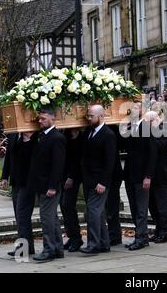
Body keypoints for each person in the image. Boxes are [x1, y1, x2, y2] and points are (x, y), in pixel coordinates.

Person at [27, 108, 66, 262]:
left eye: (43, 118)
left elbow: (58, 165)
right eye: (39, 119)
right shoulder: (41, 135)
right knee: (52, 218)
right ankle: (57, 248)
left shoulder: (57, 138)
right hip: (41, 184)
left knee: (47, 218)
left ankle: (49, 249)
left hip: (49, 186)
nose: (40, 121)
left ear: (52, 119)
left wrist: (53, 186)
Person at [80, 105, 117, 255]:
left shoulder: (108, 134)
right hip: (89, 180)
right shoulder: (89, 132)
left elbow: (110, 161)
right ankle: (103, 243)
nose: (88, 119)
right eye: (88, 116)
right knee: (98, 213)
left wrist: (103, 182)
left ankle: (93, 244)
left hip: (100, 182)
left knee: (93, 213)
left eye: (91, 116)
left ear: (101, 116)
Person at [123, 101, 157, 250]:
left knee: (141, 209)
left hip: (141, 175)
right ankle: (141, 236)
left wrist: (148, 176)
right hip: (130, 174)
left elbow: (152, 153)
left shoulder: (146, 127)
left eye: (136, 107)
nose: (133, 110)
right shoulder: (132, 126)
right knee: (134, 208)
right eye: (132, 108)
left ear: (143, 110)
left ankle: (141, 238)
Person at [1, 131, 38, 257]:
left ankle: (23, 248)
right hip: (16, 181)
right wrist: (4, 176)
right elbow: (9, 156)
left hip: (28, 182)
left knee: (22, 215)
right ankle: (27, 247)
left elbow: (33, 157)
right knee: (19, 215)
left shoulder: (34, 135)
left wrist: (28, 139)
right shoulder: (12, 134)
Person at [146, 111, 167, 243]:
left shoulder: (163, 130)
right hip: (149, 175)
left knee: (162, 206)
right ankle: (158, 229)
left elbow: (162, 146)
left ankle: (165, 232)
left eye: (150, 121)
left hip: (160, 174)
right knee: (152, 206)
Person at [60, 128, 84, 252]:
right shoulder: (65, 133)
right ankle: (72, 236)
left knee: (67, 205)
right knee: (64, 207)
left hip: (72, 176)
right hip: (62, 175)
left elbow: (76, 157)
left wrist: (71, 177)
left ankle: (76, 237)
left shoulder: (77, 135)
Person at [106, 125, 124, 247]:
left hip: (113, 174)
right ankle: (112, 234)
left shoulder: (112, 130)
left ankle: (114, 235)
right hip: (107, 174)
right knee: (108, 207)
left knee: (112, 206)